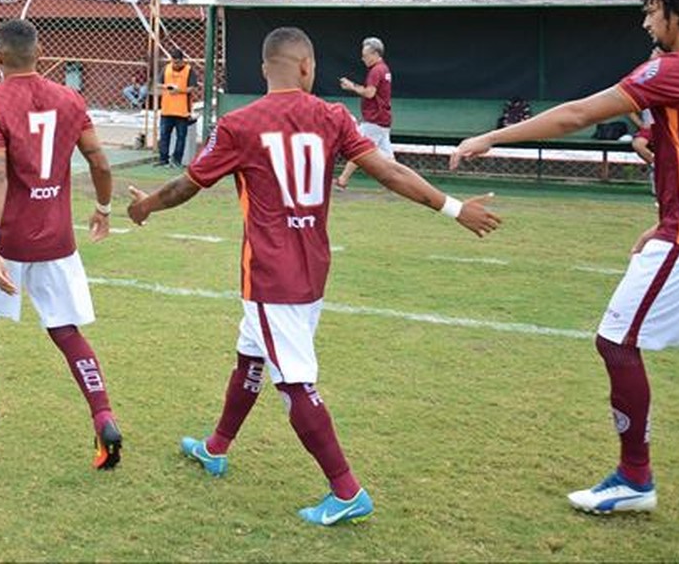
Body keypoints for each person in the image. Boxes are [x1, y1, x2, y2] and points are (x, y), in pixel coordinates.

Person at [127, 26, 501, 527]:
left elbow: (186, 185)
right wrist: (454, 208)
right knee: (250, 357)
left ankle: (347, 491)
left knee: (294, 382)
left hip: (269, 275)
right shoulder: (332, 116)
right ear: (306, 67)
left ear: (265, 70)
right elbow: (389, 172)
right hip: (311, 267)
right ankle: (216, 448)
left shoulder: (239, 124)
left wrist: (145, 207)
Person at [451, 0, 679, 523]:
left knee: (616, 343)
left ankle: (634, 478)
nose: (646, 22)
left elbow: (578, 113)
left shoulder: (677, 68)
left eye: (651, 11)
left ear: (678, 13)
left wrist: (492, 137)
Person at [0, 19, 123, 469]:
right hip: (56, 236)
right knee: (66, 330)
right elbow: (98, 158)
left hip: (7, 235)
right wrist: (103, 207)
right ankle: (103, 418)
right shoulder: (70, 98)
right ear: (40, 53)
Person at [335, 36, 393, 188]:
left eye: (365, 55)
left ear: (375, 54)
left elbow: (369, 93)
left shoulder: (376, 70)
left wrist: (351, 86)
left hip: (375, 120)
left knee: (358, 150)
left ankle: (342, 180)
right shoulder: (384, 69)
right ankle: (402, 183)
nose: (363, 58)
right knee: (389, 160)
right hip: (381, 120)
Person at [157, 47, 195, 167]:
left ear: (182, 60)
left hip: (182, 110)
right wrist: (167, 87)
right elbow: (159, 83)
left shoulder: (189, 70)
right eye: (173, 62)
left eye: (178, 62)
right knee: (164, 135)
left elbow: (192, 87)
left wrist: (180, 90)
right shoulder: (166, 68)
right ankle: (163, 159)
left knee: (181, 137)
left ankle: (176, 160)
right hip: (167, 109)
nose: (175, 64)